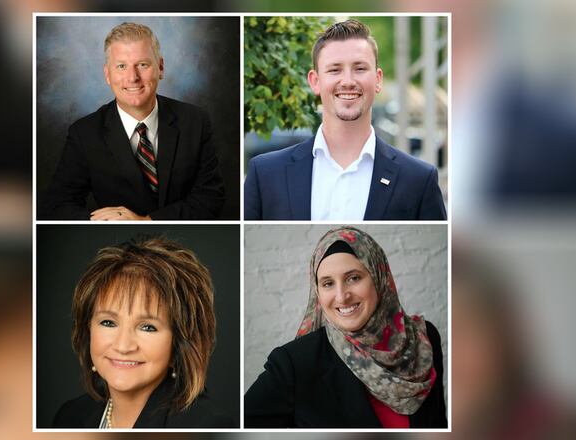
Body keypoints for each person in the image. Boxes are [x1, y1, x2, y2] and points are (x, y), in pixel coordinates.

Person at [244, 226, 447, 428]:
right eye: (328, 283)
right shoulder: (294, 364)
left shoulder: (423, 338)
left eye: (353, 278)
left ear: (379, 277)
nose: (342, 297)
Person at [244, 19, 446, 220]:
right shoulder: (265, 174)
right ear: (315, 81)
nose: (348, 81)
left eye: (360, 68)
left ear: (378, 80)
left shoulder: (419, 180)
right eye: (334, 70)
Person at [43, 22, 225, 220]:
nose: (132, 77)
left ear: (160, 68)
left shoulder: (195, 122)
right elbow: (58, 205)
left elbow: (211, 197)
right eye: (121, 66)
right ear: (107, 74)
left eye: (142, 65)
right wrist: (105, 222)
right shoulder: (84, 134)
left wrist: (148, 221)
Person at [53, 237, 235, 428]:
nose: (123, 346)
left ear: (180, 341)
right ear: (87, 328)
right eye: (108, 322)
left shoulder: (206, 426)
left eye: (147, 327)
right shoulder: (70, 417)